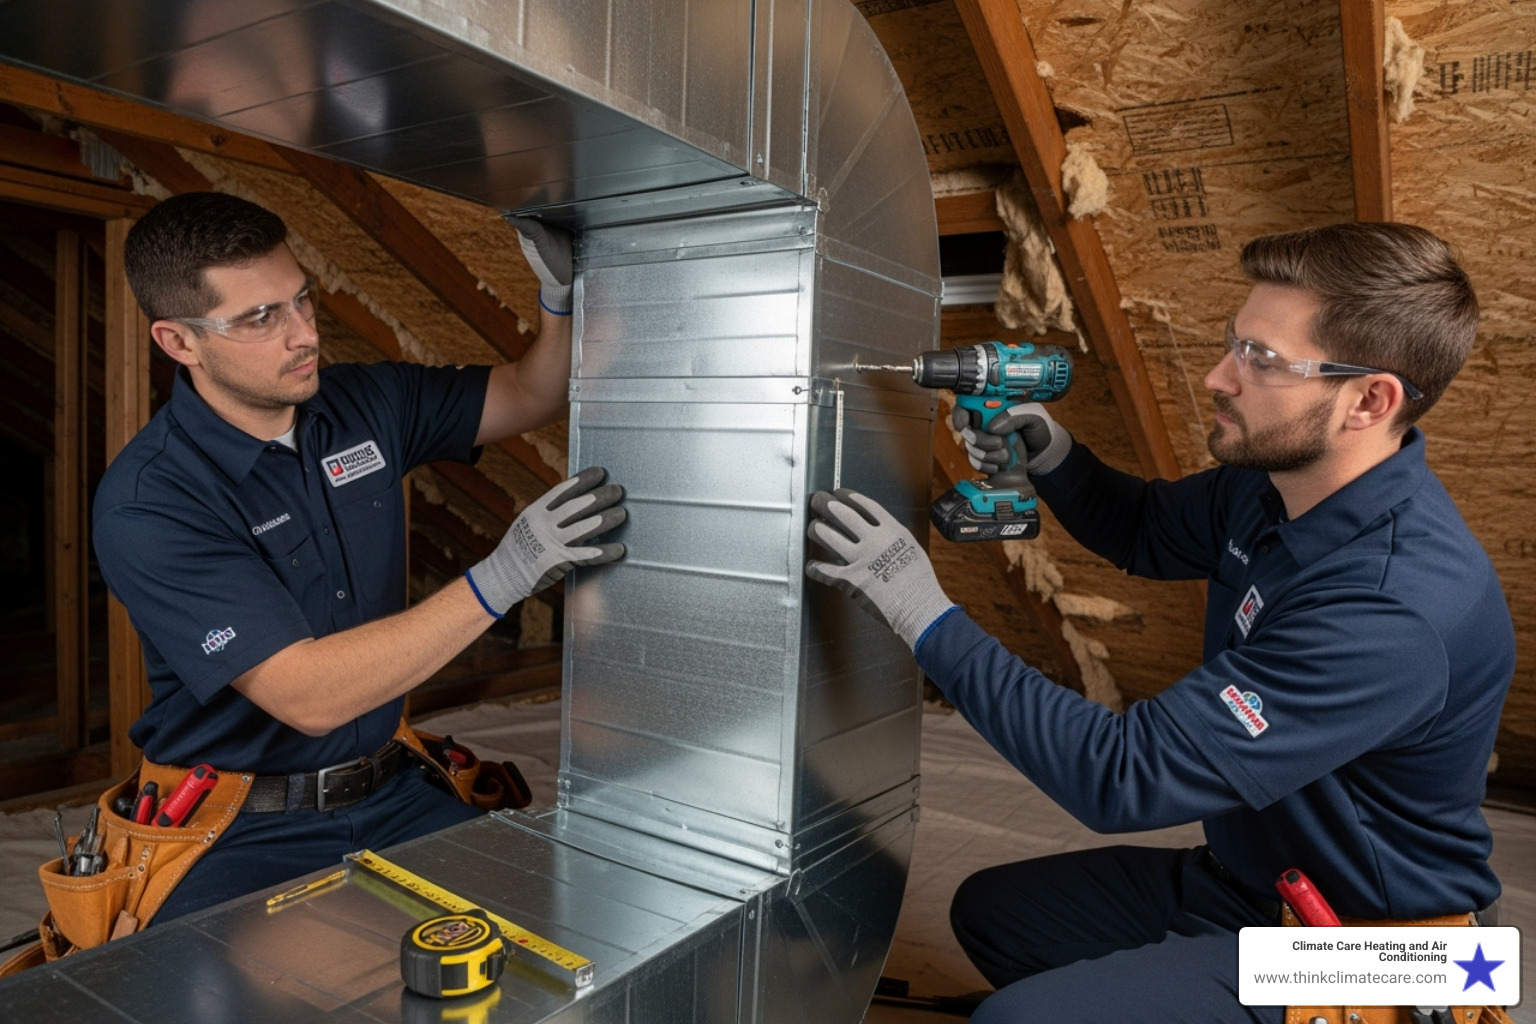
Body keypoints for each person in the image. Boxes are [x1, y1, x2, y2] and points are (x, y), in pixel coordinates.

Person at [804, 221, 1514, 1023]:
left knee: (1018, 1020)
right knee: (996, 915)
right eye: (1234, 342)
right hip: (1255, 889)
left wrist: (916, 605)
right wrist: (1053, 455)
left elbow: (1120, 775)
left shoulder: (1393, 609)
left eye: (1263, 360)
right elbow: (1146, 529)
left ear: (1369, 400)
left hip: (1383, 953)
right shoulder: (1279, 481)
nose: (1219, 376)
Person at [93, 191, 626, 924]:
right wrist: (507, 573)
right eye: (260, 318)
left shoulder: (365, 402)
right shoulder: (151, 502)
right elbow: (308, 695)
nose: (304, 334)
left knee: (553, 942)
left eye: (301, 301)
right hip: (240, 827)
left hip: (394, 790)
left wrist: (563, 301)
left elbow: (530, 392)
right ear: (179, 342)